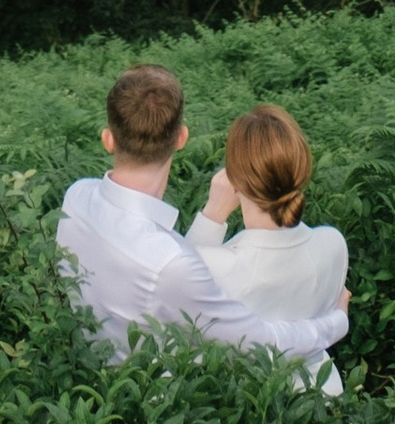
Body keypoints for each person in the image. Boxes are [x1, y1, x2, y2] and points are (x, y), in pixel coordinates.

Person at [56, 64, 348, 371]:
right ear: (181, 138)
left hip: (85, 374)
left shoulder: (76, 196)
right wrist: (338, 321)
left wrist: (213, 215)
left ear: (108, 139)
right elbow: (262, 342)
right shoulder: (171, 264)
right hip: (151, 391)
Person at [187, 103, 347, 394]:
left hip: (245, 407)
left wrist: (212, 215)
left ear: (235, 179)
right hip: (323, 397)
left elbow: (173, 292)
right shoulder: (333, 244)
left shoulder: (217, 266)